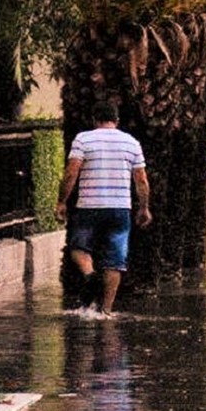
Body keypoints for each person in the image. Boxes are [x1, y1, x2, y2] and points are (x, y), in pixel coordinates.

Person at [55, 101, 152, 316]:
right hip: (120, 209)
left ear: (94, 119)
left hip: (89, 206)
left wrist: (62, 201)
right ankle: (106, 312)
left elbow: (71, 173)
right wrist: (144, 208)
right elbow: (141, 180)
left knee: (78, 248)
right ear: (116, 121)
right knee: (115, 261)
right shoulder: (131, 143)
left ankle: (90, 275)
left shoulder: (83, 139)